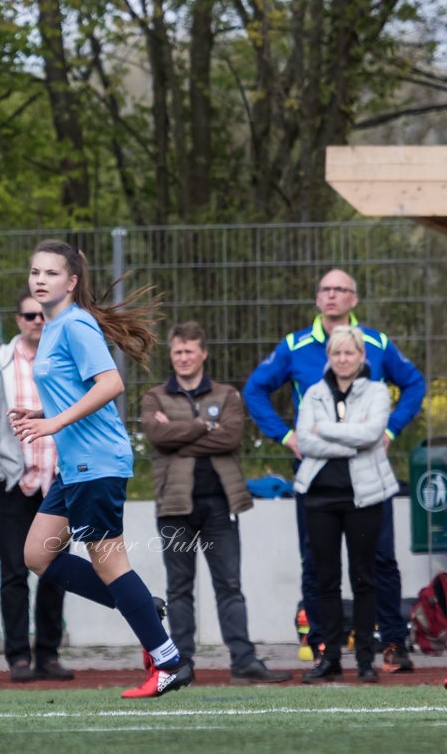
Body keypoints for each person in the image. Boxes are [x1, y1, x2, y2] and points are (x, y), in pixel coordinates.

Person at [10, 239, 193, 699]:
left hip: (98, 464)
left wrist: (53, 422)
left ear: (71, 282)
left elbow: (110, 384)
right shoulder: (51, 329)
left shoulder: (75, 324)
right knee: (37, 556)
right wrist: (41, 416)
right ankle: (141, 608)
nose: (39, 279)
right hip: (75, 468)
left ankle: (169, 661)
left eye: (50, 273)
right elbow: (72, 392)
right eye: (35, 272)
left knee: (109, 565)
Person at [243, 269, 424, 672]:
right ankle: (324, 648)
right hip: (317, 481)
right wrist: (286, 436)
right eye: (325, 289)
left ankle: (393, 644)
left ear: (354, 299)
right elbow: (254, 389)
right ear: (317, 297)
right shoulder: (295, 345)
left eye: (340, 290)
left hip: (368, 479)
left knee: (378, 562)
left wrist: (391, 430)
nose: (332, 296)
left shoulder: (376, 343)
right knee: (317, 563)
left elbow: (414, 385)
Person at [141, 321, 290, 684]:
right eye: (177, 351)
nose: (184, 358)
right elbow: (157, 437)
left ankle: (243, 661)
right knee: (179, 589)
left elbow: (231, 438)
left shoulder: (227, 396)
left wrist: (181, 435)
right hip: (174, 507)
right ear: (171, 355)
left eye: (190, 351)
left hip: (219, 507)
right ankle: (182, 665)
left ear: (203, 353)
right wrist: (204, 428)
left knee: (229, 586)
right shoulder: (154, 397)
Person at [0, 290, 72, 683]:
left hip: (58, 484)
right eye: (29, 315)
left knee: (56, 570)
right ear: (18, 320)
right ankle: (18, 657)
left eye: (43, 315)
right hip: (15, 486)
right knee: (13, 572)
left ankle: (49, 654)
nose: (37, 322)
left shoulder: (66, 362)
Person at [294, 326, 399, 683]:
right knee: (326, 580)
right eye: (336, 353)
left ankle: (366, 662)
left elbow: (372, 435)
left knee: (364, 578)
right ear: (329, 358)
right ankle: (331, 658)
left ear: (361, 357)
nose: (343, 359)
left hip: (364, 497)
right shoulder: (313, 393)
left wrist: (327, 430)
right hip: (320, 499)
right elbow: (306, 442)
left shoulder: (377, 391)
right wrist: (350, 439)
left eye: (349, 353)